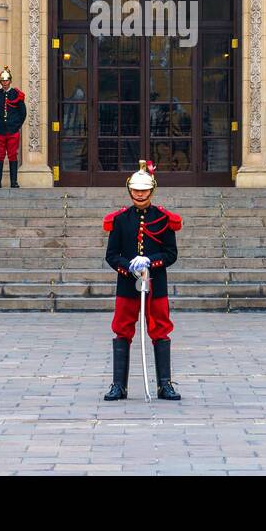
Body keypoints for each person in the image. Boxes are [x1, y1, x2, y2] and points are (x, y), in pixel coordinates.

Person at [102, 160, 182, 401]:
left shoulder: (163, 219)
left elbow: (171, 254)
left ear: (152, 190)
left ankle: (164, 385)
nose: (139, 194)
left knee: (160, 329)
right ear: (130, 190)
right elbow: (111, 255)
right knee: (122, 328)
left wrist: (150, 261)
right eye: (136, 190)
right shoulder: (120, 220)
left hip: (155, 283)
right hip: (128, 284)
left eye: (144, 190)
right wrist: (129, 266)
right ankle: (119, 385)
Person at [0, 67, 26, 188]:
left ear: (10, 81)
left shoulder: (16, 94)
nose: (4, 82)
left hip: (12, 130)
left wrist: (16, 126)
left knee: (12, 155)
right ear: (0, 81)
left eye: (6, 80)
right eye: (2, 80)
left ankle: (13, 182)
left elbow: (23, 113)